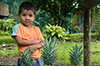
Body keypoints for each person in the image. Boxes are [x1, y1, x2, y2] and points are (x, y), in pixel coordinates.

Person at [11, 1, 44, 66]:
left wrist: (36, 46)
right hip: (24, 58)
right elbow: (19, 41)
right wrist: (35, 41)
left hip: (38, 58)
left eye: (30, 15)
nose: (27, 18)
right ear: (19, 16)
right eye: (24, 15)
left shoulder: (37, 29)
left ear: (34, 17)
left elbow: (43, 43)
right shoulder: (18, 27)